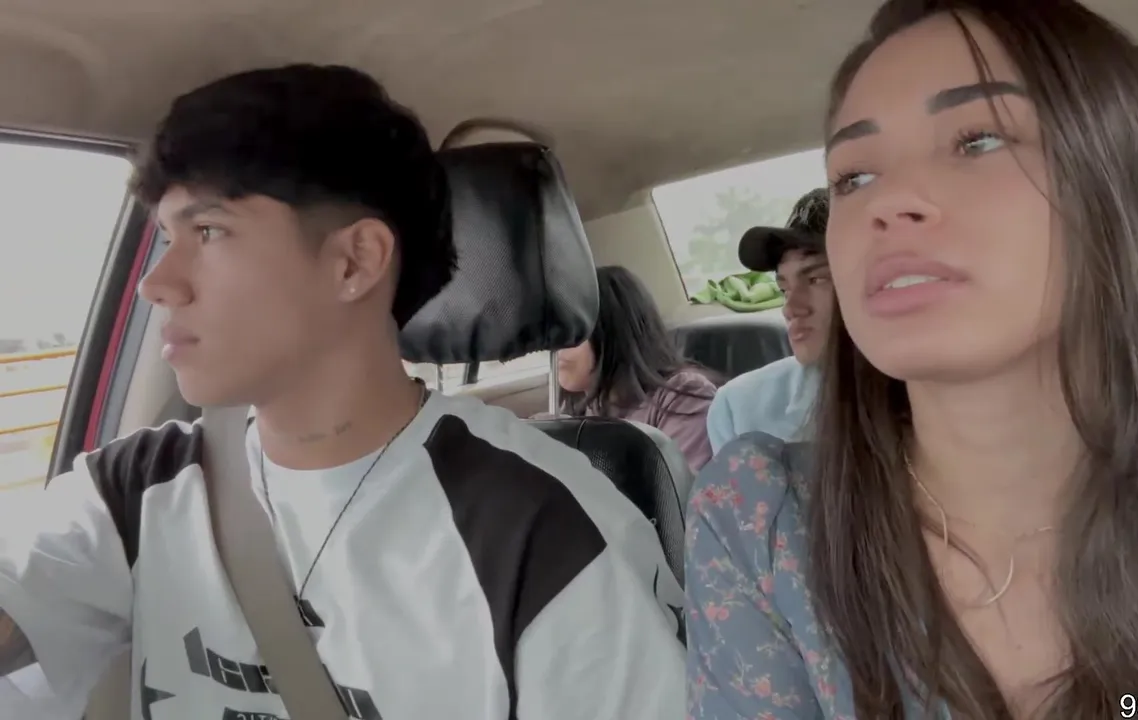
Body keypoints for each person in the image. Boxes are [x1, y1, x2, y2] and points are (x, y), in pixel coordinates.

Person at [0, 64, 685, 720]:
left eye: (208, 231)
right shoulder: (134, 490)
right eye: (164, 237)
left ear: (355, 261)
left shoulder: (547, 530)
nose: (157, 283)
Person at [686, 1, 1138, 718]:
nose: (888, 201)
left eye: (979, 139)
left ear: (1122, 183)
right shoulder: (763, 522)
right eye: (853, 177)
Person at [705, 188, 832, 454]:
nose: (790, 309)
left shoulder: (920, 392)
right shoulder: (738, 408)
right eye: (784, 289)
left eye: (816, 279)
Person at [555, 265, 718, 471]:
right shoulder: (579, 408)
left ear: (615, 333)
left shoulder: (682, 396)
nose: (557, 348)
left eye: (574, 334)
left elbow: (680, 487)